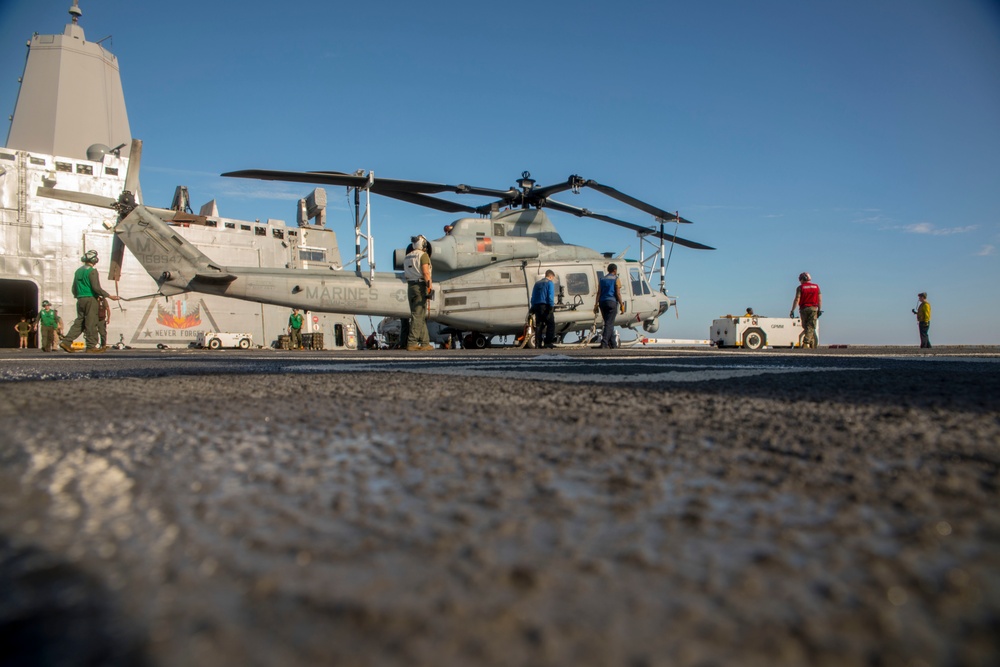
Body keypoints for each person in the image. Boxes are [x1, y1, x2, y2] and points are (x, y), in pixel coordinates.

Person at [59, 250, 120, 353]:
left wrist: (78, 296)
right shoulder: (92, 271)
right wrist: (109, 296)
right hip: (91, 299)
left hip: (80, 299)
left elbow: (74, 288)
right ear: (94, 260)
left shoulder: (78, 271)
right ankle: (91, 346)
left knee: (80, 322)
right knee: (91, 322)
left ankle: (66, 341)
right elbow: (96, 288)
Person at [403, 234, 434, 351]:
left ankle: (425, 343)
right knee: (418, 315)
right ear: (423, 244)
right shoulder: (423, 255)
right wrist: (429, 287)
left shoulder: (407, 256)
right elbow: (426, 273)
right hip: (420, 286)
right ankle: (412, 342)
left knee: (418, 315)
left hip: (410, 286)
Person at [594, 263, 624, 349]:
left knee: (608, 323)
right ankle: (604, 343)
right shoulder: (616, 279)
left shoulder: (602, 279)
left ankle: (613, 344)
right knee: (609, 323)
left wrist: (596, 304)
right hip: (611, 302)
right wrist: (621, 304)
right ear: (615, 270)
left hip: (602, 302)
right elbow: (618, 293)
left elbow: (599, 292)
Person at [790, 271, 822, 348]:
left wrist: (792, 310)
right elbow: (820, 299)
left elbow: (797, 299)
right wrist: (819, 310)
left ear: (802, 279)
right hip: (813, 309)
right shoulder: (816, 287)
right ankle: (810, 343)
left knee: (806, 326)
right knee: (810, 326)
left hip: (803, 309)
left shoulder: (800, 288)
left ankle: (806, 343)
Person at [530, 270, 557, 349]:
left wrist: (533, 306)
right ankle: (548, 342)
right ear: (550, 276)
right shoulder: (549, 283)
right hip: (546, 306)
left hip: (537, 306)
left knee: (539, 325)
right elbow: (550, 295)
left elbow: (533, 296)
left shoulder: (537, 283)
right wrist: (551, 306)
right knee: (551, 324)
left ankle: (537, 344)